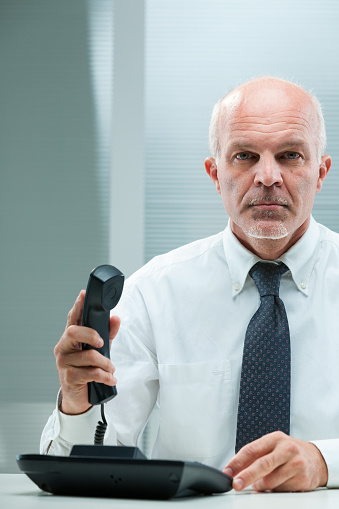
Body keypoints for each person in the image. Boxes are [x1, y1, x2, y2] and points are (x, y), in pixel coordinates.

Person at [42, 76, 339, 492]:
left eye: (290, 155)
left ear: (321, 172)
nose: (268, 176)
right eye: (244, 156)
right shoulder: (152, 294)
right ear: (215, 173)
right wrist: (76, 406)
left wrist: (325, 461)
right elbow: (86, 466)